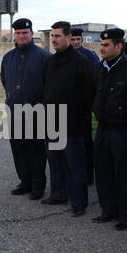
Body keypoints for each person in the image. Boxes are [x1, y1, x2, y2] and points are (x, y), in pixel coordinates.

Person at [91, 29, 127, 230]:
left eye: (106, 45)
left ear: (119, 46)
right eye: (102, 44)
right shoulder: (100, 68)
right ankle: (108, 211)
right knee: (104, 172)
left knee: (124, 174)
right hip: (104, 128)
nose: (102, 48)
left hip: (124, 130)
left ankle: (126, 216)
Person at [41, 21, 96, 217]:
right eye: (53, 36)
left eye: (58, 36)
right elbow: (45, 89)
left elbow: (88, 93)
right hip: (51, 122)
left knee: (75, 165)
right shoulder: (50, 61)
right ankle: (58, 194)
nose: (54, 40)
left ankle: (78, 202)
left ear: (68, 37)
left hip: (72, 124)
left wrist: (75, 114)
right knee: (55, 162)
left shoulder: (80, 62)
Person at [1, 18, 51, 200]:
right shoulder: (8, 58)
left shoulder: (44, 57)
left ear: (31, 34)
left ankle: (38, 186)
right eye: (18, 33)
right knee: (18, 149)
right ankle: (25, 182)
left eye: (25, 33)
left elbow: (49, 85)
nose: (21, 36)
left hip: (36, 112)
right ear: (14, 34)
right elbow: (5, 81)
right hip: (14, 111)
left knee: (36, 151)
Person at [70, 27, 100, 186]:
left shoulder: (90, 56)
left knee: (86, 142)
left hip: (84, 106)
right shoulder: (64, 56)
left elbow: (95, 80)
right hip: (69, 107)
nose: (75, 43)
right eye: (73, 40)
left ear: (81, 40)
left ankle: (89, 175)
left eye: (78, 40)